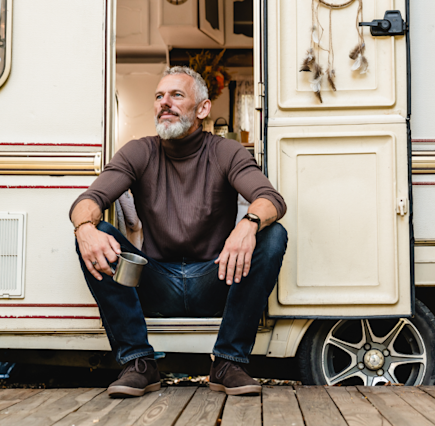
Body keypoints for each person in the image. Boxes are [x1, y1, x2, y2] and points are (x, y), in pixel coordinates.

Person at [69, 66, 287, 398]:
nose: (164, 103)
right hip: (155, 281)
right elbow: (88, 200)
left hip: (216, 278)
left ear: (202, 109)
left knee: (273, 235)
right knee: (94, 233)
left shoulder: (225, 151)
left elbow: (270, 199)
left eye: (176, 95)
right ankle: (138, 363)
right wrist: (84, 228)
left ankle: (228, 362)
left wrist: (249, 224)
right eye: (159, 96)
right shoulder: (138, 151)